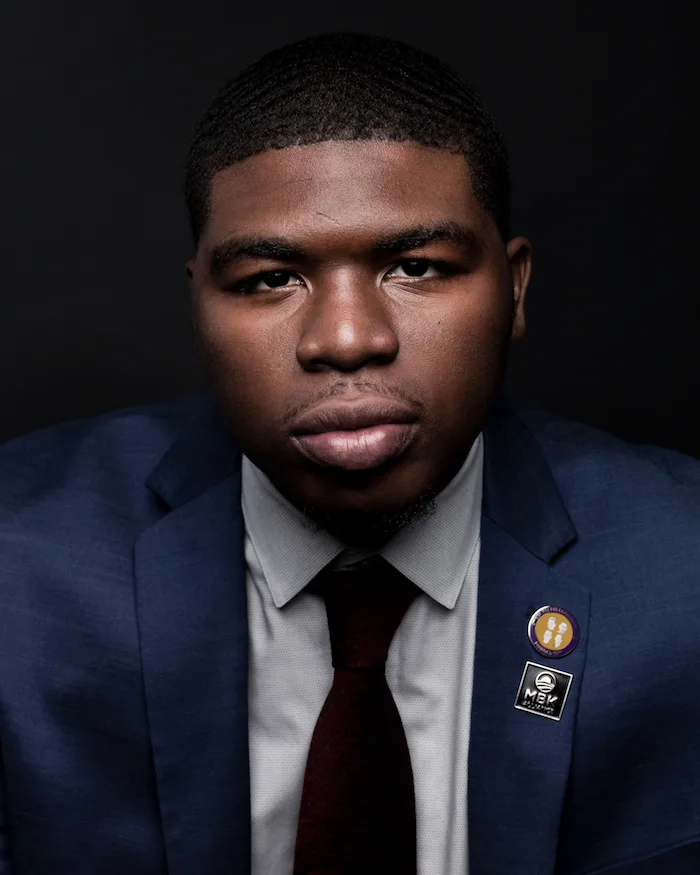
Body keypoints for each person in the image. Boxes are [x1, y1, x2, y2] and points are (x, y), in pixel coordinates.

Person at [0, 31, 698, 875]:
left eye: (416, 266)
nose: (345, 339)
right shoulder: (21, 573)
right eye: (268, 279)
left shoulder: (681, 573)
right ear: (198, 306)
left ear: (513, 288)